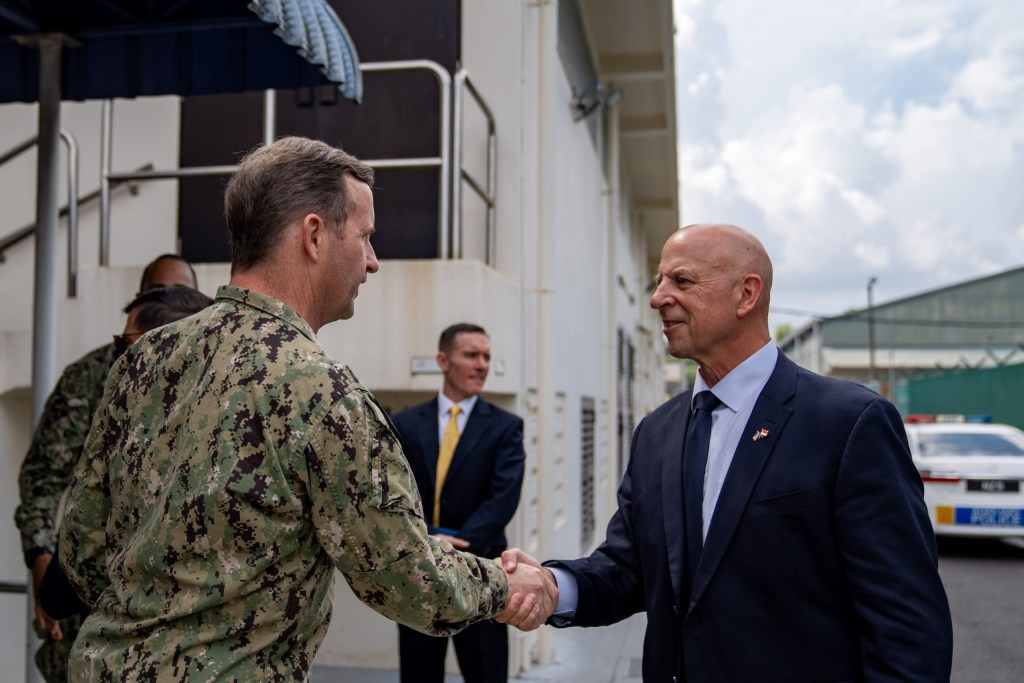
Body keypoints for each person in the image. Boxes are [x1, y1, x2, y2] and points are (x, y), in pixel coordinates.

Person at [58, 136, 555, 680]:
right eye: (365, 237)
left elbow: (82, 550)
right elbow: (404, 578)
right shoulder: (323, 393)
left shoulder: (145, 356)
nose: (373, 262)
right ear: (314, 235)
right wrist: (508, 585)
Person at [504, 224, 953, 682]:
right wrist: (554, 587)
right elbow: (629, 568)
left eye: (682, 281)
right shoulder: (656, 433)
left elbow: (906, 619)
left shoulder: (849, 423)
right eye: (659, 282)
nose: (658, 298)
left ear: (746, 295)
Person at [14, 253, 198, 683]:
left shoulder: (216, 379)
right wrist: (42, 560)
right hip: (93, 608)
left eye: (180, 293)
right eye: (158, 292)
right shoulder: (91, 376)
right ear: (140, 299)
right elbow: (44, 478)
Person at [37, 285, 215, 620]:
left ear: (161, 344)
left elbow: (78, 568)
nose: (118, 358)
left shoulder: (130, 432)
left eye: (124, 344)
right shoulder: (238, 422)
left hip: (129, 636)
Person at [393, 323, 526, 683]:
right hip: (420, 576)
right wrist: (426, 541)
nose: (482, 365)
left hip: (481, 574)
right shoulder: (404, 423)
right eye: (471, 355)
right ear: (443, 360)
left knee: (486, 673)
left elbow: (502, 500)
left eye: (486, 357)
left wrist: (455, 550)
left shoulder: (506, 427)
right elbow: (395, 493)